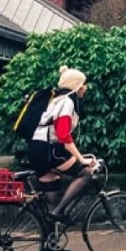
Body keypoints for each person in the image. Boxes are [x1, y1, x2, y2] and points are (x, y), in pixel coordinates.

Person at [27, 65, 97, 228]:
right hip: (47, 150)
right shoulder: (66, 102)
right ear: (76, 86)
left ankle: (49, 242)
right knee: (85, 174)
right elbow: (63, 135)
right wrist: (82, 159)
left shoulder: (56, 100)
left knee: (53, 198)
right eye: (83, 84)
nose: (85, 88)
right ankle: (58, 212)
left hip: (37, 149)